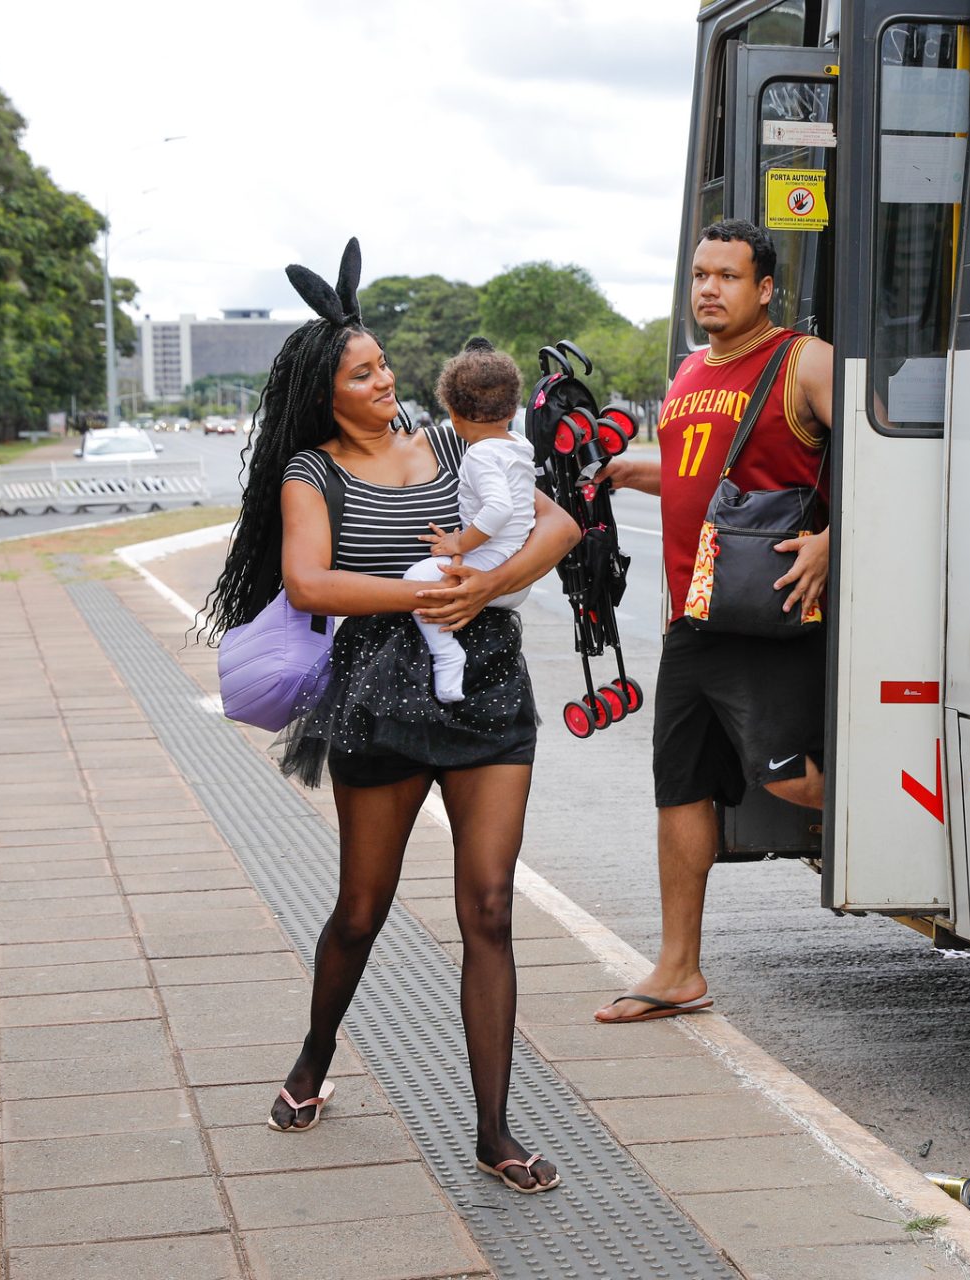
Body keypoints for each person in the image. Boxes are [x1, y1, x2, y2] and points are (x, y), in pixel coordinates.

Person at [200, 239, 579, 1192]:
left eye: (384, 367)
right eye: (363, 373)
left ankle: (494, 1133)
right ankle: (314, 1057)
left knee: (487, 907)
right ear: (325, 393)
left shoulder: (454, 440)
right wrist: (420, 599)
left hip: (487, 682)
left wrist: (484, 582)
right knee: (361, 910)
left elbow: (560, 525)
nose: (385, 380)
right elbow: (307, 579)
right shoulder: (310, 473)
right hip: (379, 693)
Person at [592, 218, 833, 1024]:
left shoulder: (804, 361)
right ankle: (678, 968)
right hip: (693, 614)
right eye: (700, 274)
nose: (709, 288)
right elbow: (710, 475)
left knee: (786, 775)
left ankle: (900, 830)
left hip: (764, 613)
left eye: (728, 276)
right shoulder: (692, 369)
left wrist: (835, 541)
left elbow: (889, 455)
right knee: (681, 786)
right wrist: (636, 472)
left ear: (765, 289)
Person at [403, 338, 536, 702]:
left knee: (417, 579)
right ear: (511, 409)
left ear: (455, 417)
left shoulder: (479, 455)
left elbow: (498, 509)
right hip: (517, 574)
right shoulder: (518, 447)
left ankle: (446, 654)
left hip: (493, 569)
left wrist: (459, 544)